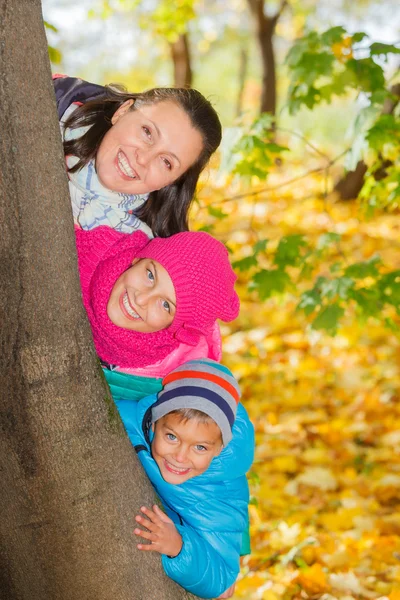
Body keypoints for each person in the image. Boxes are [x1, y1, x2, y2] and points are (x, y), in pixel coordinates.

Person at [115, 359, 255, 599]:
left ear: (219, 448)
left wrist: (179, 547)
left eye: (200, 448)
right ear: (154, 423)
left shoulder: (218, 494)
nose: (180, 457)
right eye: (171, 437)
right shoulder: (136, 418)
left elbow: (223, 586)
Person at [53, 75, 222, 237]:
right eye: (147, 132)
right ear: (122, 111)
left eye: (166, 162)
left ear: (171, 182)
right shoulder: (53, 102)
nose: (143, 159)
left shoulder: (142, 254)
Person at [75, 225, 239, 390]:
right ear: (139, 259)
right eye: (150, 275)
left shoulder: (170, 371)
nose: (141, 299)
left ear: (173, 326)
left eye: (166, 305)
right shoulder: (89, 250)